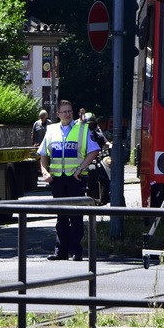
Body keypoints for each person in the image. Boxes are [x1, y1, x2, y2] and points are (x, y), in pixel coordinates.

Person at [38, 99, 100, 261]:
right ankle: (60, 251)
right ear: (57, 114)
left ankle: (76, 251)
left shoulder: (82, 128)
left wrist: (81, 168)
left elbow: (94, 151)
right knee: (61, 216)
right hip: (57, 179)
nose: (67, 114)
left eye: (69, 111)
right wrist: (45, 171)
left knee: (76, 216)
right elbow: (43, 154)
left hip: (76, 178)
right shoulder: (51, 130)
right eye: (64, 111)